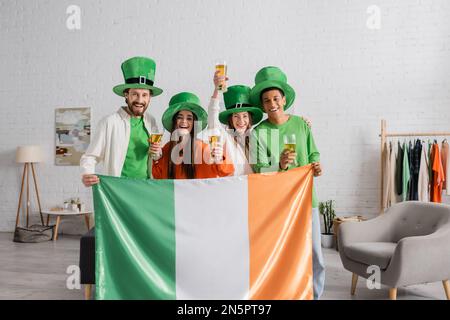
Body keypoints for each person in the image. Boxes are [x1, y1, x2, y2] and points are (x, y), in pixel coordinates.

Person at [249, 66, 325, 299]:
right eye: (266, 100)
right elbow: (258, 168)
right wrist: (280, 164)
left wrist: (317, 166)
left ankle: (315, 294)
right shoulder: (257, 132)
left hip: (306, 199)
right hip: (277, 203)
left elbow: (313, 154)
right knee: (281, 253)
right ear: (262, 106)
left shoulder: (301, 125)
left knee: (315, 253)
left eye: (275, 98)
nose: (272, 103)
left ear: (284, 99)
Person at [80, 56, 164, 187]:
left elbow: (156, 156)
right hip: (119, 189)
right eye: (135, 94)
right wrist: (87, 173)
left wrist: (157, 151)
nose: (140, 100)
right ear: (126, 95)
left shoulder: (150, 121)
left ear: (150, 97)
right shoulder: (109, 122)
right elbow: (90, 156)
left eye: (144, 95)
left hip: (145, 186)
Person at [152, 92, 234, 179]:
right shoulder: (166, 149)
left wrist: (219, 159)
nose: (184, 121)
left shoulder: (204, 149)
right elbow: (158, 176)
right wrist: (156, 158)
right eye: (179, 117)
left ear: (194, 123)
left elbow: (226, 172)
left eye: (189, 118)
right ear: (174, 122)